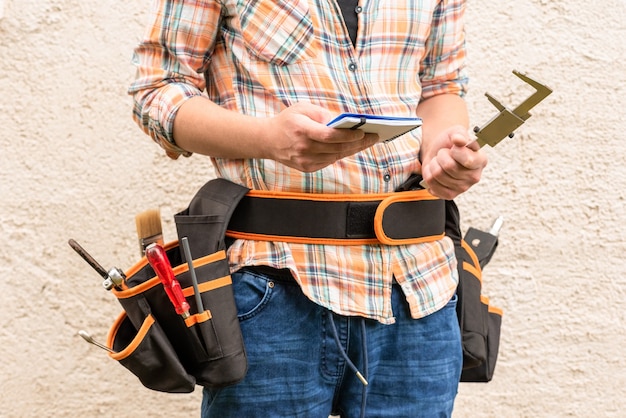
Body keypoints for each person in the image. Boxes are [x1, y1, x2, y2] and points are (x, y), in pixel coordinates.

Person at [129, 1, 487, 417]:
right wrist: (267, 138)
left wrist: (443, 154)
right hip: (274, 290)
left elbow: (440, 87)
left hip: (418, 289)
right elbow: (157, 91)